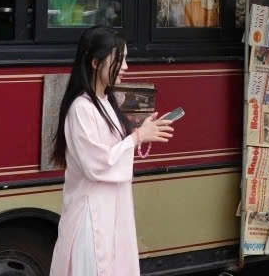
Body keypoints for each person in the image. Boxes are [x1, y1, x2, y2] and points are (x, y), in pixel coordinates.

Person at [50, 26, 175, 275]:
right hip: (93, 215)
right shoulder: (81, 108)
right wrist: (137, 137)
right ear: (95, 63)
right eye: (119, 60)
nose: (126, 66)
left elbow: (112, 150)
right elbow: (96, 164)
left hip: (112, 209)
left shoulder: (106, 102)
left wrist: (140, 134)